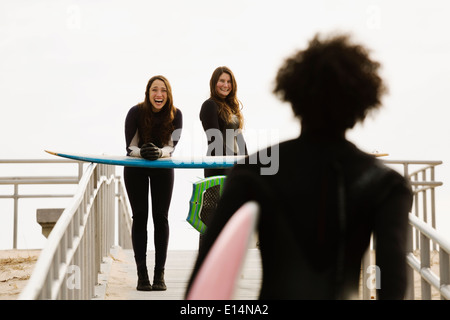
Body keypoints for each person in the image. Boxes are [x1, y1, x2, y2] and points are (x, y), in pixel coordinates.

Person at [187, 33, 413, 299]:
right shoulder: (387, 184)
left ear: (292, 97)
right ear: (363, 104)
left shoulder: (253, 172)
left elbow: (201, 288)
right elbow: (394, 286)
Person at [124, 75, 182, 291]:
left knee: (161, 217)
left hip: (163, 167)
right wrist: (143, 153)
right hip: (136, 167)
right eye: (155, 90)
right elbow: (131, 147)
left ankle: (160, 274)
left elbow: (171, 147)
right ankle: (142, 274)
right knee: (140, 216)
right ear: (148, 93)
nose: (159, 94)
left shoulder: (177, 115)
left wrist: (159, 152)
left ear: (168, 94)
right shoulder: (135, 112)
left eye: (164, 90)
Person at [198, 66, 248, 250]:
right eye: (222, 81)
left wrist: (247, 164)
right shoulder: (210, 105)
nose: (225, 85)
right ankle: (205, 264)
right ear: (214, 83)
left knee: (230, 218)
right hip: (217, 166)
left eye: (228, 81)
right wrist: (230, 165)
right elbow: (215, 139)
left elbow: (239, 140)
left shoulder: (232, 108)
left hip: (233, 166)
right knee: (211, 219)